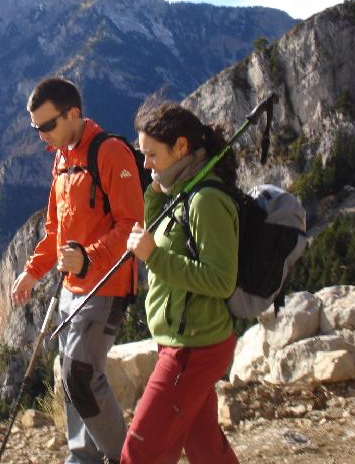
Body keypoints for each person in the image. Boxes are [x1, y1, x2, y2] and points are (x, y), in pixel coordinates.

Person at [11, 77, 144, 464]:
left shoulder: (110, 153)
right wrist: (34, 271)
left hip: (107, 284)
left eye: (47, 126)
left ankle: (127, 458)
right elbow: (55, 227)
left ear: (74, 114)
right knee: (72, 374)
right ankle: (83, 455)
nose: (41, 136)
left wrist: (88, 257)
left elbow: (132, 227)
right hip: (72, 287)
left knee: (81, 373)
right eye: (36, 128)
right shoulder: (62, 156)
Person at [121, 97, 240, 464]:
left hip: (194, 347)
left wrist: (153, 257)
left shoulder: (206, 200)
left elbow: (221, 280)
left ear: (182, 147)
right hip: (180, 339)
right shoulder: (182, 190)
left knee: (140, 449)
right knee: (204, 446)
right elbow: (161, 233)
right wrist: (156, 193)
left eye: (152, 155)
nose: (145, 164)